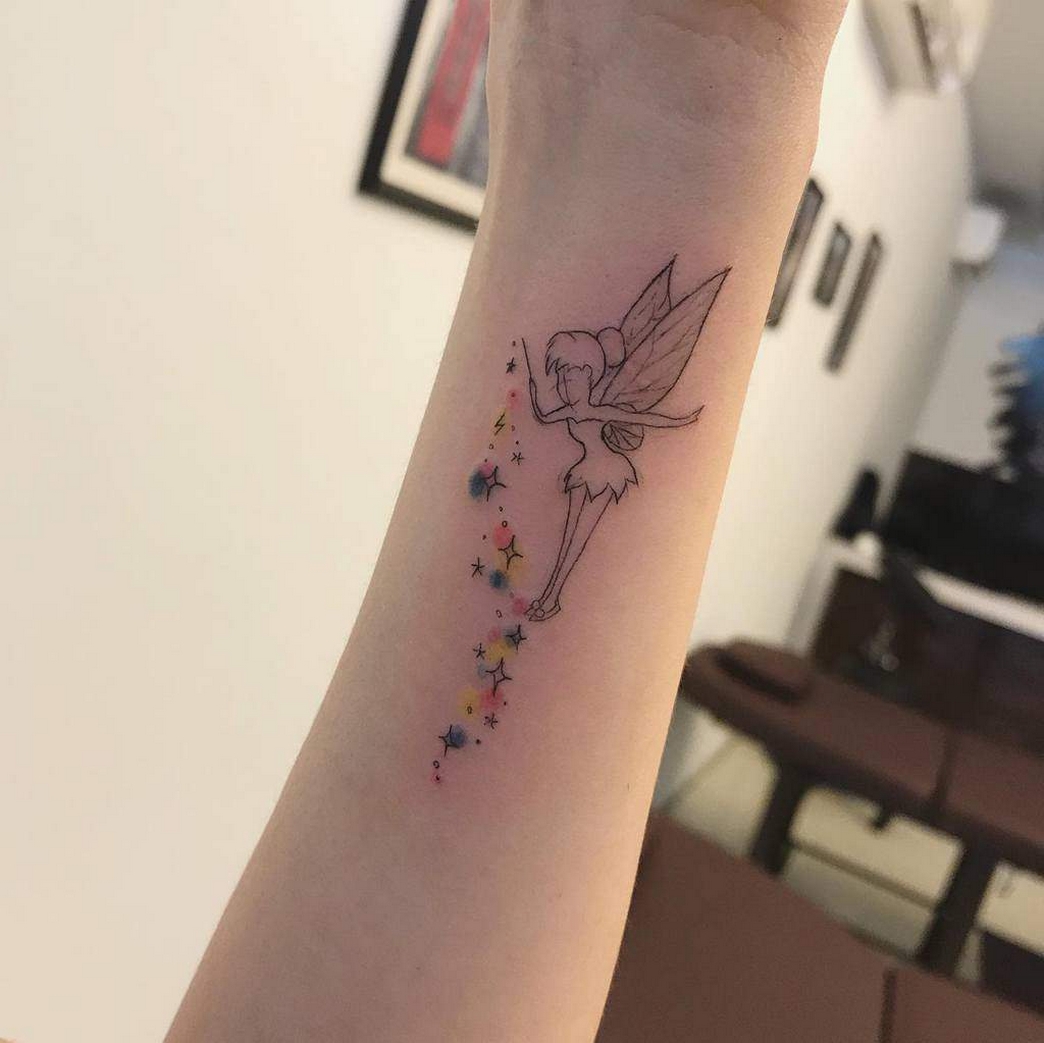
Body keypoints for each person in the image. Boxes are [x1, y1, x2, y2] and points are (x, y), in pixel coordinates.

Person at [166, 2, 849, 1040]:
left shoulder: (604, 389)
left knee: (566, 542)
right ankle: (553, 587)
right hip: (592, 451)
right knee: (558, 547)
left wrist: (691, 100)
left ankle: (554, 587)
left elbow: (613, 404)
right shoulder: (584, 383)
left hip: (602, 467)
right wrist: (672, 95)